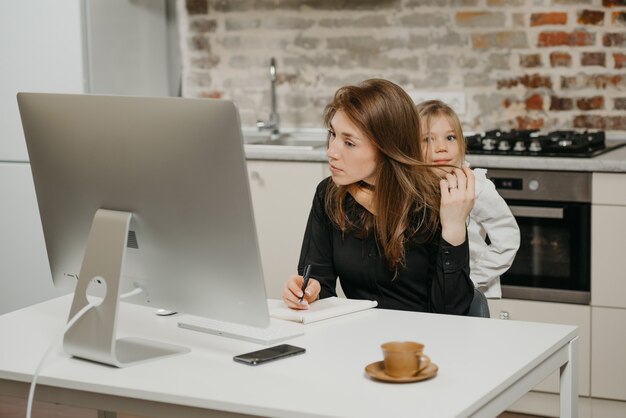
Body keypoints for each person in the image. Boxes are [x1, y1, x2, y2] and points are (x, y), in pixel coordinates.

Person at [282, 79, 475, 315]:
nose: (331, 151)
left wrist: (454, 228)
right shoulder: (329, 195)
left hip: (422, 344)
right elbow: (319, 283)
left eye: (349, 143)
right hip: (358, 338)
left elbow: (453, 313)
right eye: (333, 134)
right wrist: (308, 292)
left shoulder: (434, 202)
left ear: (387, 149)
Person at [416, 100, 520, 298]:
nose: (441, 147)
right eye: (428, 139)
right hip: (427, 295)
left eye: (450, 138)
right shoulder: (412, 189)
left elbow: (507, 239)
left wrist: (472, 279)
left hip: (470, 294)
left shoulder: (475, 186)